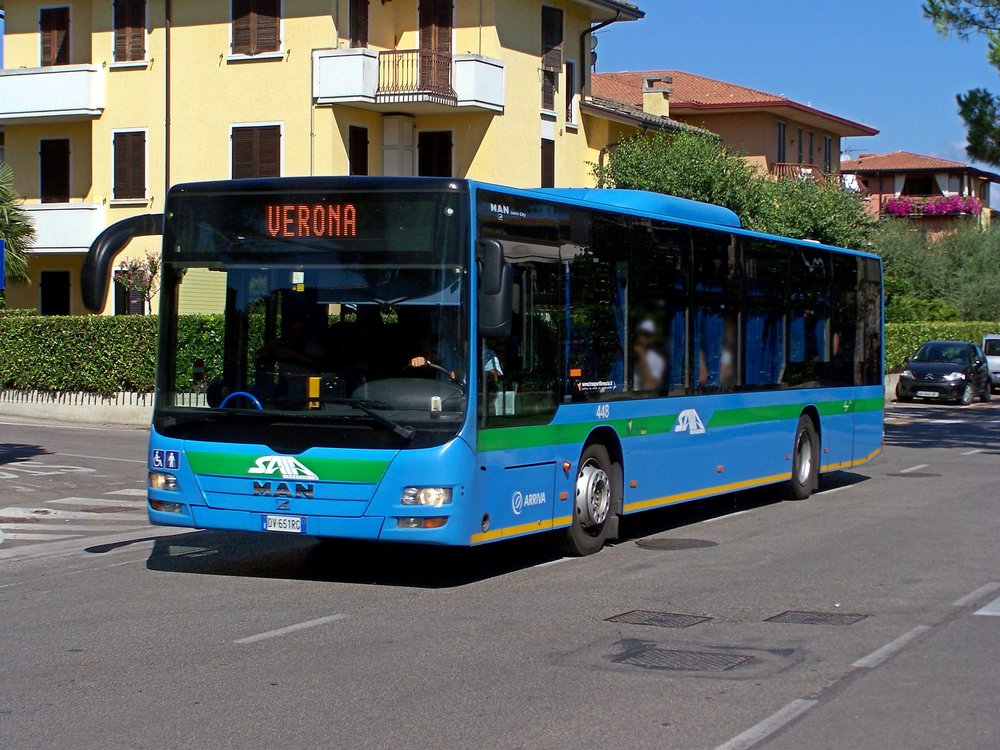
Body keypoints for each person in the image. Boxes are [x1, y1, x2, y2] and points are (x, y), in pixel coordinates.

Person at [633, 318, 665, 391]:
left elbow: (651, 386)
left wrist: (643, 358)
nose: (642, 338)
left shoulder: (657, 360)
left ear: (651, 339)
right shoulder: (626, 355)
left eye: (646, 335)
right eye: (640, 334)